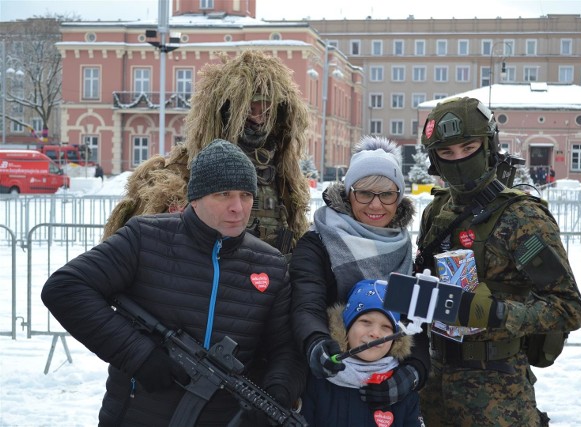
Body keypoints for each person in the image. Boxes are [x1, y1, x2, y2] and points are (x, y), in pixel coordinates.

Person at [41, 140, 305, 426]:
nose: (237, 208)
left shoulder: (270, 264)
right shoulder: (146, 237)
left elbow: (285, 348)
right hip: (136, 415)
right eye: (223, 194)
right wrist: (139, 355)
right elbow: (66, 288)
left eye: (245, 195)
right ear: (196, 197)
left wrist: (278, 391)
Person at [414, 97, 581, 426]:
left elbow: (568, 307)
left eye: (468, 147)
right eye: (447, 153)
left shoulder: (521, 216)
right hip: (435, 385)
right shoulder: (436, 212)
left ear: (489, 145)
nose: (459, 160)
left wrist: (497, 312)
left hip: (497, 391)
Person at [102, 50, 311, 257]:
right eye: (248, 109)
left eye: (266, 110)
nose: (257, 119)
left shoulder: (284, 178)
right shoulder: (180, 174)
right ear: (226, 112)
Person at [290, 135, 430, 412]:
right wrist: (316, 343)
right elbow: (307, 303)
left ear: (399, 197)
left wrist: (414, 371)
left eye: (387, 194)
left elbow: (416, 319)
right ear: (348, 193)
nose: (376, 205)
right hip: (329, 382)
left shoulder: (403, 247)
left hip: (386, 387)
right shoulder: (318, 243)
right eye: (365, 193)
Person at [301, 279, 424, 426]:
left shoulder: (401, 386)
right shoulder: (320, 379)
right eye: (366, 322)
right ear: (346, 326)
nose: (375, 333)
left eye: (386, 327)